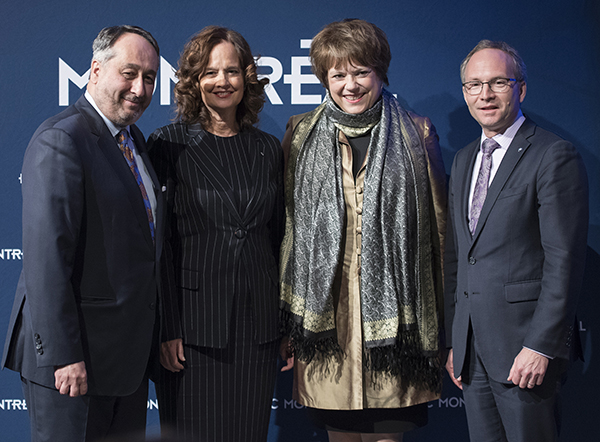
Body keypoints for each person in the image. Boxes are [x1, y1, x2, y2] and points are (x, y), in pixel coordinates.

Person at [279, 19, 447, 442]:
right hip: (327, 332)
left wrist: (444, 327)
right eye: (338, 74)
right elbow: (289, 229)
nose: (350, 85)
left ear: (380, 73)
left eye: (360, 72)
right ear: (325, 79)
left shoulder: (417, 133)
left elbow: (439, 236)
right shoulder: (300, 134)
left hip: (396, 334)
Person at [1, 25, 162, 441]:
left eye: (149, 78)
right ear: (94, 70)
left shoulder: (134, 141)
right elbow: (46, 261)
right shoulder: (62, 140)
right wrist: (63, 356)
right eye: (129, 73)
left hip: (122, 365)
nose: (139, 88)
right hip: (73, 367)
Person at [444, 40, 588, 442]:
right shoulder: (463, 158)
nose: (485, 95)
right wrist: (458, 341)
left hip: (525, 352)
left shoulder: (553, 155)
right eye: (474, 85)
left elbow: (564, 261)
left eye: (497, 83)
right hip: (473, 354)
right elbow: (459, 256)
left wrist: (541, 346)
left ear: (520, 89)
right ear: (465, 93)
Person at [148, 26, 283, 442]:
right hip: (192, 330)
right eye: (210, 72)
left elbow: (278, 239)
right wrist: (168, 327)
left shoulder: (268, 148)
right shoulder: (168, 144)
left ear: (247, 78)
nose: (222, 81)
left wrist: (284, 326)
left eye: (232, 71)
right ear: (193, 81)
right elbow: (161, 248)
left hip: (258, 330)